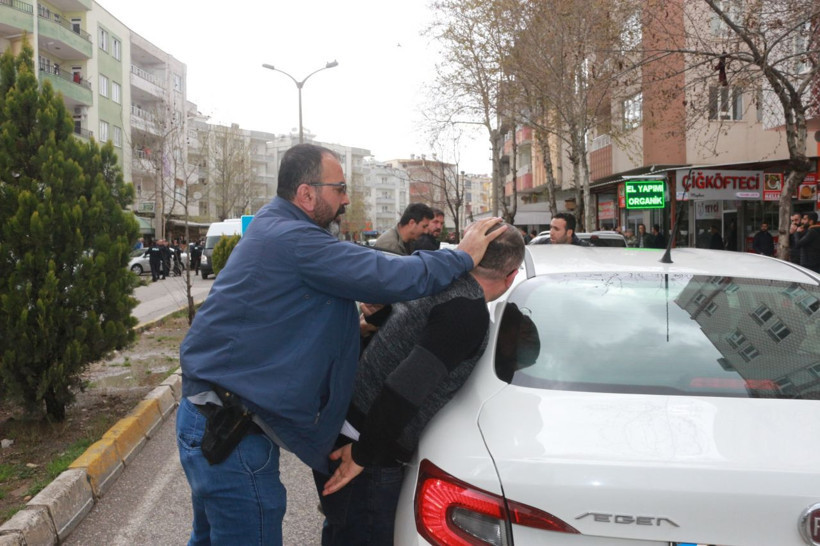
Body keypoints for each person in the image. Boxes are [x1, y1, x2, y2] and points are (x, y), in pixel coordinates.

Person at [175, 143, 505, 546]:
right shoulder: (295, 239)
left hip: (211, 418)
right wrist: (462, 257)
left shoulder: (276, 225)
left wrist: (356, 325)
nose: (346, 198)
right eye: (340, 188)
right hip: (230, 433)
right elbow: (387, 274)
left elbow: (293, 309)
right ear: (307, 194)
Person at [313, 222, 526, 544]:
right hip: (366, 447)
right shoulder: (466, 312)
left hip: (346, 426)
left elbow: (407, 335)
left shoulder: (437, 281)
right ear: (511, 275)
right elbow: (406, 385)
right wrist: (362, 455)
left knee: (343, 531)